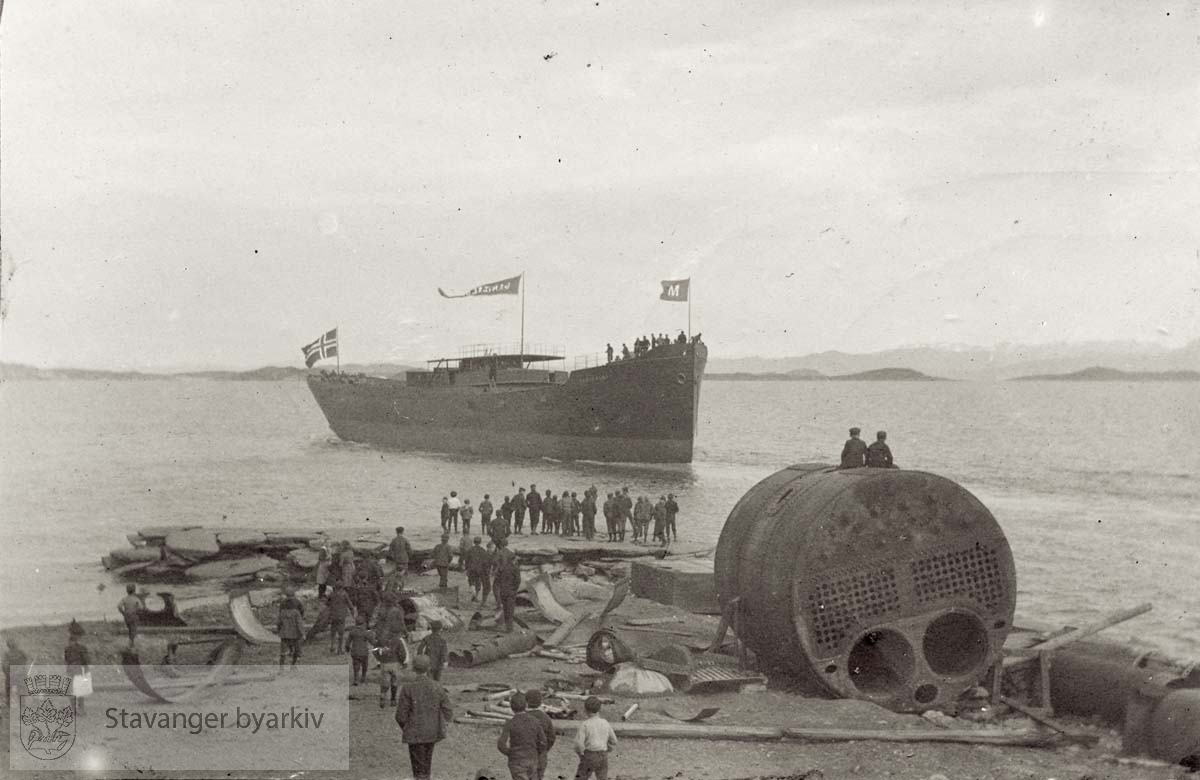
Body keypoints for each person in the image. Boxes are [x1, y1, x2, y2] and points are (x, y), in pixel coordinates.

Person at [394, 655, 452, 780]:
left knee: (418, 769)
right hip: (432, 732)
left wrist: (407, 728)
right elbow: (448, 710)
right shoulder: (437, 686)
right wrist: (442, 724)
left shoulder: (408, 688)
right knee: (426, 763)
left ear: (413, 668)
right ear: (429, 668)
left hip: (415, 733)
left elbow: (400, 716)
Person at [497, 691, 548, 780]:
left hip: (517, 761)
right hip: (532, 758)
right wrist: (536, 752)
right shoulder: (535, 721)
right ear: (526, 705)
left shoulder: (510, 723)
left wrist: (511, 753)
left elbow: (501, 744)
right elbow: (544, 742)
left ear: (511, 707)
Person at [573, 695, 617, 780]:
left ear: (585, 710)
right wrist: (607, 746)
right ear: (599, 709)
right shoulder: (605, 723)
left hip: (589, 754)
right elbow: (614, 741)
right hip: (603, 755)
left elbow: (579, 744)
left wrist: (581, 754)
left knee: (580, 778)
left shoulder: (585, 724)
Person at [526, 689, 556, 780]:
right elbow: (551, 737)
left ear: (526, 702)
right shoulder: (546, 718)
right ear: (540, 702)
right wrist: (544, 750)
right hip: (540, 754)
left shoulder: (521, 717)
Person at [493, 537, 521, 633]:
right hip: (511, 591)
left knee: (505, 608)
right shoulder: (515, 568)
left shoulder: (501, 565)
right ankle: (510, 628)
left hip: (503, 591)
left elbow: (497, 579)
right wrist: (515, 589)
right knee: (510, 609)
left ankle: (506, 626)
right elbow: (518, 580)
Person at [64, 623, 90, 715]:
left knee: (71, 690)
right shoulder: (82, 648)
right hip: (79, 670)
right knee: (80, 691)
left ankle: (73, 709)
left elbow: (66, 659)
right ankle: (81, 709)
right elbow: (86, 660)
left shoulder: (67, 648)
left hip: (71, 670)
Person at [378, 633, 408, 708]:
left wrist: (379, 661)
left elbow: (378, 652)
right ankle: (393, 699)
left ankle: (382, 695)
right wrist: (403, 662)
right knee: (394, 682)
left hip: (385, 664)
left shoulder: (381, 640)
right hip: (395, 663)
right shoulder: (398, 641)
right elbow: (402, 653)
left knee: (385, 682)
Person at [277, 593, 305, 670]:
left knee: (283, 653)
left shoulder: (282, 612)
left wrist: (279, 630)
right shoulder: (296, 612)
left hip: (284, 634)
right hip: (295, 634)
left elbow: (278, 623)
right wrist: (303, 634)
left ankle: (281, 668)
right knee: (296, 651)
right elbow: (299, 624)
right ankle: (293, 666)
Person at [327, 584, 355, 654]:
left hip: (333, 615)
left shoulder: (332, 594)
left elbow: (327, 603)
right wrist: (352, 612)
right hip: (341, 616)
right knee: (341, 633)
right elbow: (350, 604)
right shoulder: (344, 594)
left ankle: (332, 645)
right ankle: (339, 649)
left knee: (333, 631)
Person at [347, 614, 374, 685]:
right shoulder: (366, 632)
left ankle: (356, 679)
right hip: (364, 652)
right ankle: (363, 677)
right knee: (364, 665)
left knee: (356, 666)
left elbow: (347, 643)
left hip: (355, 652)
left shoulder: (352, 631)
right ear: (364, 623)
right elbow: (372, 641)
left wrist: (347, 649)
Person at [3, 637, 30, 709]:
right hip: (20, 674)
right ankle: (22, 704)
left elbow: (4, 665)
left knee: (8, 689)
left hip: (11, 674)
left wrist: (7, 673)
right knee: (21, 689)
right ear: (16, 645)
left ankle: (8, 704)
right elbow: (26, 660)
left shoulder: (7, 654)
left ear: (8, 645)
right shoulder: (21, 652)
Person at [465, 536, 489, 602]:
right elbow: (485, 562)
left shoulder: (470, 550)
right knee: (478, 583)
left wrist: (466, 568)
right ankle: (476, 596)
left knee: (471, 582)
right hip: (480, 570)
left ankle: (474, 595)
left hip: (471, 569)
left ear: (474, 542)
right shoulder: (483, 550)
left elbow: (466, 560)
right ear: (480, 542)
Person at [481, 540, 497, 606]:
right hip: (484, 573)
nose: (494, 549)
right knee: (487, 587)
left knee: (487, 587)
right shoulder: (486, 555)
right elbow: (485, 564)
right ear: (489, 548)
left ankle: (483, 602)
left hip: (485, 573)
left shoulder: (487, 554)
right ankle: (483, 602)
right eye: (493, 548)